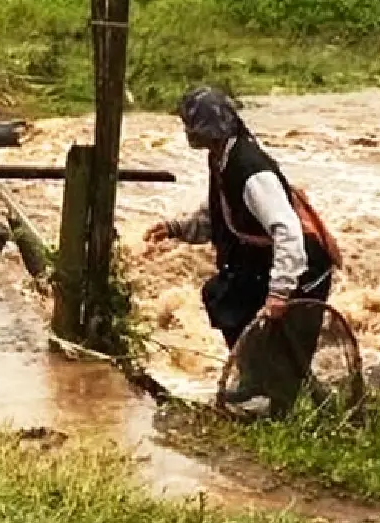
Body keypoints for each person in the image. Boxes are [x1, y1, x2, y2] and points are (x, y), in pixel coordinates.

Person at [145, 87, 342, 409]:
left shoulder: (251, 171)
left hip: (304, 270)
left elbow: (288, 232)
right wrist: (177, 229)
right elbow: (223, 213)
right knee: (223, 297)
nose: (186, 132)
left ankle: (294, 408)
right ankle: (255, 380)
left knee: (286, 348)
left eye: (189, 126)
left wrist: (280, 293)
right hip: (259, 264)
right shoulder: (223, 159)